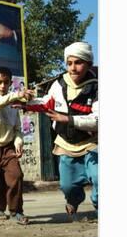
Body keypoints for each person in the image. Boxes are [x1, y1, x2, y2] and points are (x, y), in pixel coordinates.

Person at [22, 42, 98, 219]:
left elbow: (99, 119)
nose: (73, 68)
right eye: (69, 63)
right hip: (66, 144)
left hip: (92, 143)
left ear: (88, 63)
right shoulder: (59, 84)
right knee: (68, 186)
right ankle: (74, 200)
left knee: (100, 178)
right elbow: (46, 103)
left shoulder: (96, 87)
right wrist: (26, 102)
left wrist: (68, 119)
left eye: (78, 62)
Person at [0, 66, 31, 225]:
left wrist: (18, 142)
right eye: (0, 82)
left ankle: (16, 211)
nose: (3, 85)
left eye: (6, 82)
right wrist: (18, 94)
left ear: (10, 83)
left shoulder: (14, 105)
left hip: (8, 147)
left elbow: (17, 129)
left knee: (16, 175)